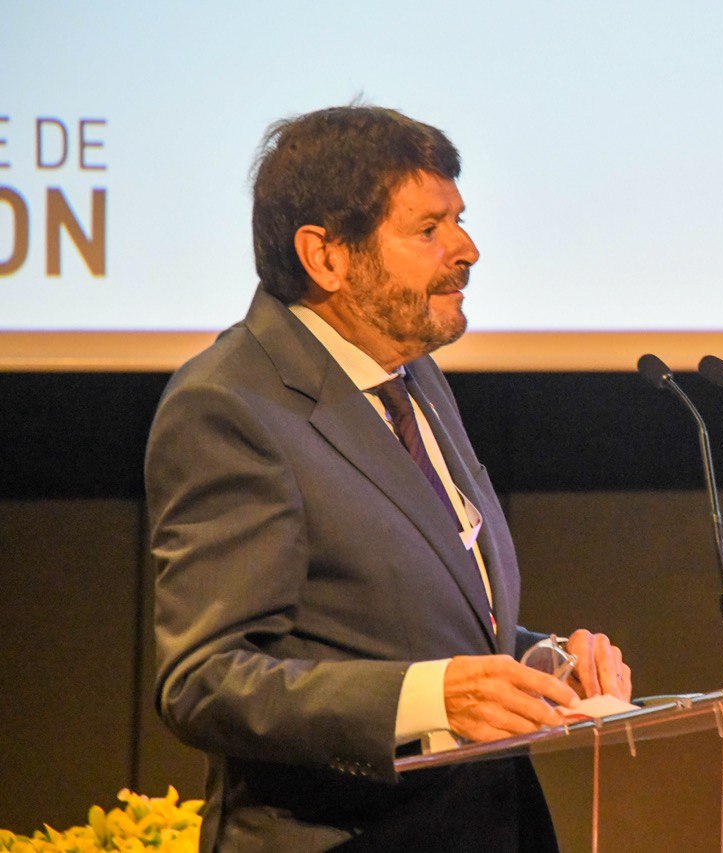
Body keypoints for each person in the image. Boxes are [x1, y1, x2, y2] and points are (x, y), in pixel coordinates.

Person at [146, 105, 632, 852]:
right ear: (326, 257)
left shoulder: (413, 376)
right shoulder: (228, 406)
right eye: (429, 229)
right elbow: (205, 680)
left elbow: (409, 618)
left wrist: (542, 664)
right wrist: (430, 697)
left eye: (459, 221)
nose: (467, 249)